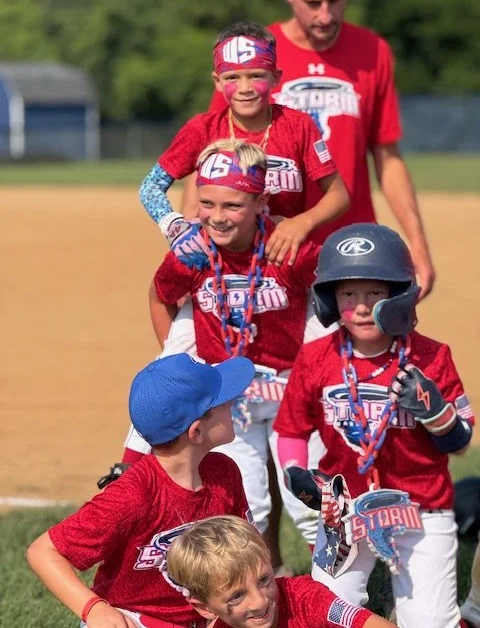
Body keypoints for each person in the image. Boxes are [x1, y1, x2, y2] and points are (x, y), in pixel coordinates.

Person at [126, 139, 327, 565]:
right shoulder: (192, 252)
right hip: (230, 400)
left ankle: (339, 591)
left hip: (290, 393)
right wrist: (181, 362)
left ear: (261, 202)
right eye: (207, 203)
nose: (217, 217)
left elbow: (334, 297)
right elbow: (161, 297)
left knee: (312, 507)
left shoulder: (287, 248)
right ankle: (259, 591)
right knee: (245, 510)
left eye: (233, 205)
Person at [272, 222, 474, 627]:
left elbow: (461, 442)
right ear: (330, 299)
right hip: (344, 508)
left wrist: (436, 412)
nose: (361, 307)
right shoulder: (315, 357)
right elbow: (292, 429)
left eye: (374, 293)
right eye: (348, 294)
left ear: (399, 295)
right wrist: (296, 472)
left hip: (420, 508)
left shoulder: (432, 356)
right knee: (327, 612)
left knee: (429, 623)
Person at [199, 0, 435, 299]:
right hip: (266, 249)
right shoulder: (252, 52)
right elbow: (210, 154)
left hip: (350, 247)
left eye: (335, 0)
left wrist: (418, 244)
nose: (325, 16)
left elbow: (388, 157)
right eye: (313, 3)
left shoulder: (372, 51)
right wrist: (196, 243)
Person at [26, 353, 256, 628]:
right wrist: (94, 609)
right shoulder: (135, 494)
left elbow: (244, 553)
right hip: (132, 618)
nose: (232, 403)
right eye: (222, 402)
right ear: (196, 432)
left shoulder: (224, 472)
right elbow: (43, 551)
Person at [140, 20, 349, 270]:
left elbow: (339, 195)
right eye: (232, 78)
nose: (245, 88)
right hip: (216, 269)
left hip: (282, 266)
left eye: (256, 75)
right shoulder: (202, 129)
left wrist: (301, 223)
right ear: (217, 81)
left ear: (275, 77)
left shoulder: (298, 126)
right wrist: (175, 227)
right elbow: (151, 186)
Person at [166, 515, 396, 628]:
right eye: (237, 596)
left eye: (264, 580)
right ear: (205, 608)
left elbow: (365, 623)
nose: (260, 601)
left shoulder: (306, 599)